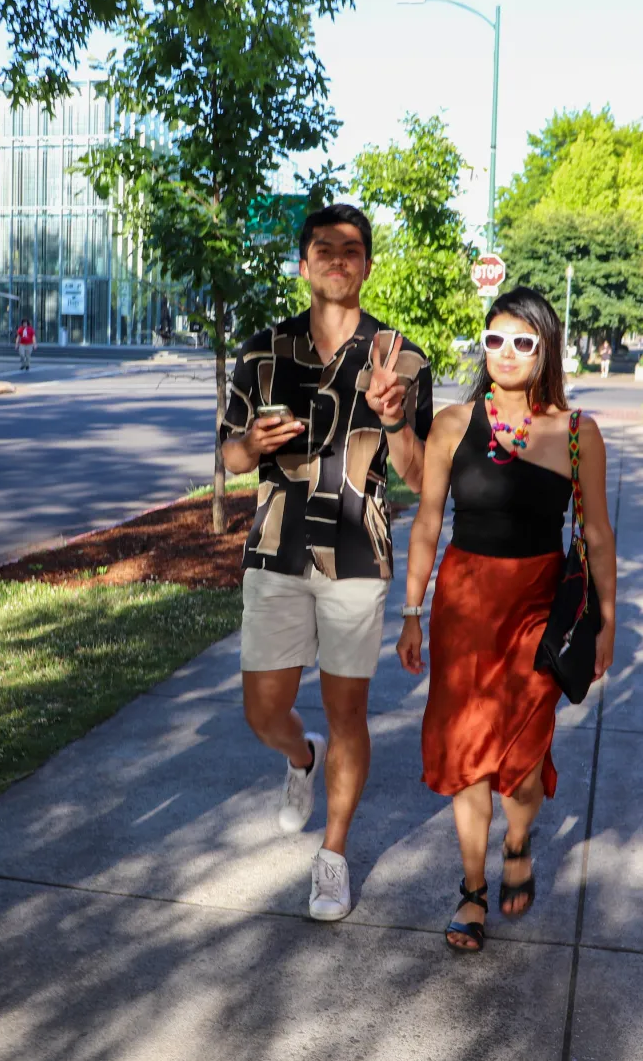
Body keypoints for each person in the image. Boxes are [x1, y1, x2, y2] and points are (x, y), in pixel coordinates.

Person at [220, 203, 432, 921]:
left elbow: (423, 475)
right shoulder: (261, 351)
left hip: (355, 553)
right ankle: (299, 757)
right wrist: (252, 442)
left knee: (349, 712)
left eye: (353, 248)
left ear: (368, 264)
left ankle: (334, 854)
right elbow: (228, 455)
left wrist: (396, 416)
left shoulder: (402, 357)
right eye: (324, 248)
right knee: (262, 709)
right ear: (303, 263)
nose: (339, 258)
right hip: (276, 545)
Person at [398, 286, 617, 952]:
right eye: (495, 339)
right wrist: (411, 610)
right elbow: (428, 523)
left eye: (523, 341)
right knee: (466, 752)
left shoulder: (577, 432)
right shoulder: (452, 423)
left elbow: (598, 533)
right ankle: (471, 890)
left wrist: (605, 620)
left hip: (537, 603)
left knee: (521, 755)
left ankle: (518, 838)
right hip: (464, 604)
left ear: (545, 348)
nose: (507, 352)